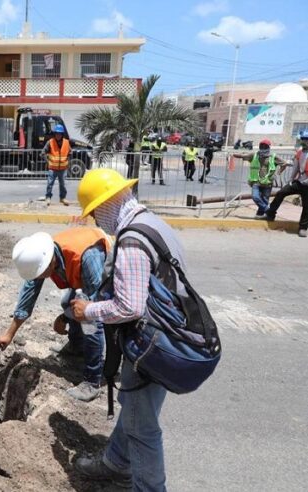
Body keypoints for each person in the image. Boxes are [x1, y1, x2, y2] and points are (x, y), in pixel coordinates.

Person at [70, 168, 189, 491]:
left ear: (107, 203)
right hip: (168, 335)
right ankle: (116, 462)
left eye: (95, 211)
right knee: (137, 408)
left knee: (142, 427)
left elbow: (130, 307)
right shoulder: (153, 223)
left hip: (150, 343)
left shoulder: (133, 241)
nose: (96, 220)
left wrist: (88, 310)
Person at [0, 227, 109, 402]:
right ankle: (77, 347)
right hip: (82, 269)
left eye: (40, 274)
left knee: (89, 322)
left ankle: (93, 381)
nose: (39, 277)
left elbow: (94, 309)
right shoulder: (41, 256)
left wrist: (65, 318)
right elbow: (27, 298)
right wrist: (9, 334)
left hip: (108, 273)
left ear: (50, 262)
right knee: (67, 303)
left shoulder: (88, 258)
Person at [261, 130, 308, 237]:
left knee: (306, 206)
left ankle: (303, 227)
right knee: (281, 193)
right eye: (303, 139)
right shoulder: (300, 152)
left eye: (306, 140)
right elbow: (296, 167)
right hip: (299, 181)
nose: (305, 142)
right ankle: (270, 214)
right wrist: (291, 180)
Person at [233, 139, 289, 217]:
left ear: (268, 147)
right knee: (255, 197)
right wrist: (232, 154)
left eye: (265, 146)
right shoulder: (255, 155)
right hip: (256, 181)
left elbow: (284, 163)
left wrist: (279, 172)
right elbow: (244, 156)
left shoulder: (273, 157)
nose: (263, 147)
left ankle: (260, 214)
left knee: (265, 199)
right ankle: (268, 210)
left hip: (268, 182)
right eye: (261, 146)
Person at [43, 124, 71, 206]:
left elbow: (70, 153)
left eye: (59, 134)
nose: (58, 135)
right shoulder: (50, 142)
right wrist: (47, 161)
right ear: (54, 134)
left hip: (63, 168)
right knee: (50, 183)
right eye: (56, 133)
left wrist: (67, 161)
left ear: (62, 134)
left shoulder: (66, 143)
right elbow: (43, 153)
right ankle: (48, 197)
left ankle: (62, 198)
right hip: (52, 168)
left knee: (62, 184)